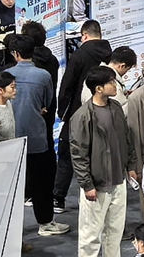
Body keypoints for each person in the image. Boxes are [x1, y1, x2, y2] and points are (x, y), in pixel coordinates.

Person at [71, 65, 139, 257]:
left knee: (115, 233)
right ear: (98, 88)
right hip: (97, 185)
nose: (115, 84)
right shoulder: (83, 116)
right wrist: (87, 185)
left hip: (119, 181)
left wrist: (131, 166)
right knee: (91, 236)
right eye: (110, 82)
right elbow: (78, 154)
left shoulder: (116, 107)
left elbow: (126, 139)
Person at [8, 35, 68, 236]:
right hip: (37, 136)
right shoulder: (43, 75)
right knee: (42, 183)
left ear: (15, 54)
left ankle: (11, 230)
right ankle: (46, 222)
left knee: (12, 186)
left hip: (11, 138)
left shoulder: (6, 74)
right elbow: (48, 101)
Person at [54, 20, 112, 210]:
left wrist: (62, 112)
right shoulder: (110, 53)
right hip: (103, 111)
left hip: (77, 113)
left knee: (68, 154)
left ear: (84, 36)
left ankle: (58, 198)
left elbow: (67, 85)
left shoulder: (79, 55)